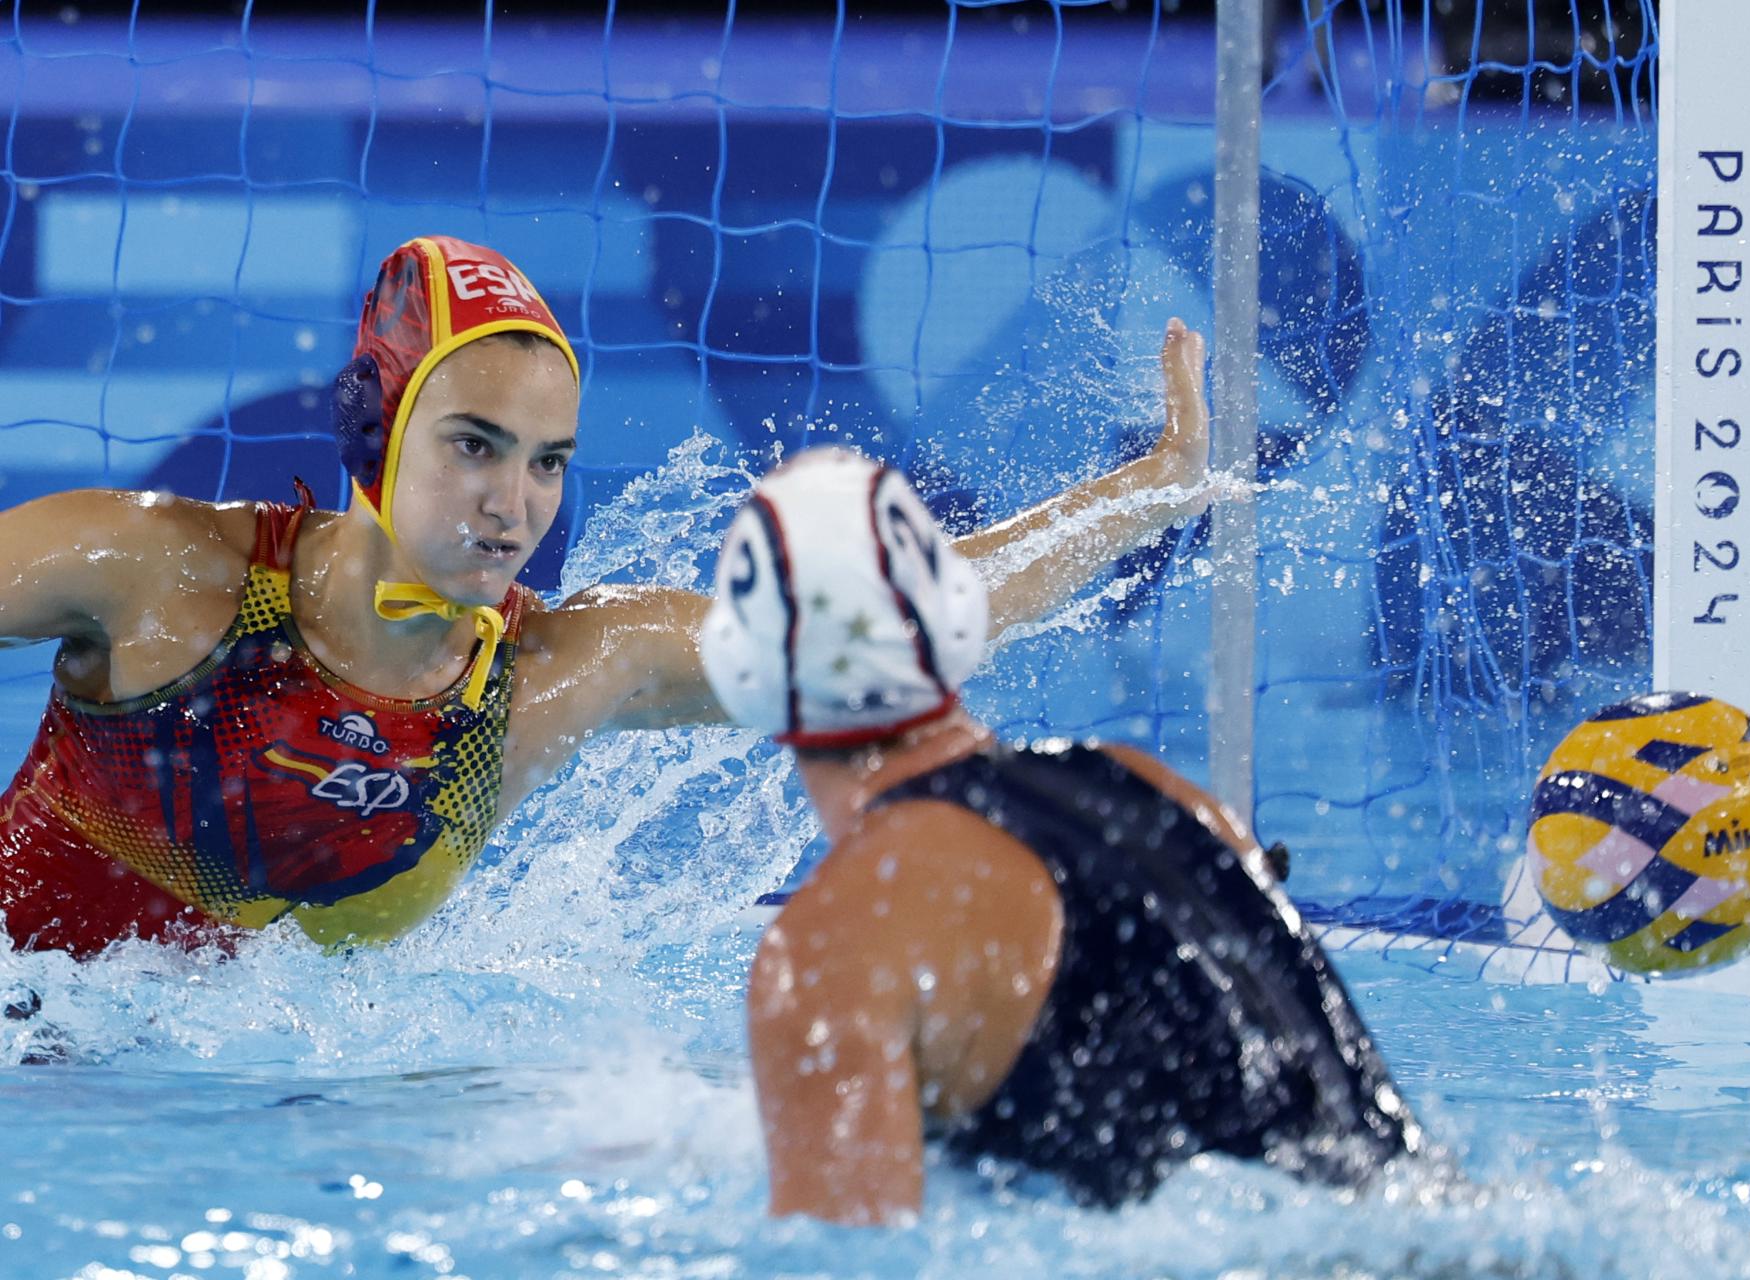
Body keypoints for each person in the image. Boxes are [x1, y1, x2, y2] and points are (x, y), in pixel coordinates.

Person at [0, 235, 1212, 956]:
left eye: (546, 462)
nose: (514, 505)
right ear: (375, 429)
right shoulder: (171, 576)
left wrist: (1149, 491)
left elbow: (911, 627)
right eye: (472, 445)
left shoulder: (562, 670)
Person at [709, 448, 1423, 1226]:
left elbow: (840, 1259)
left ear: (746, 677)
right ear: (957, 620)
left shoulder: (837, 945)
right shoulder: (1167, 795)